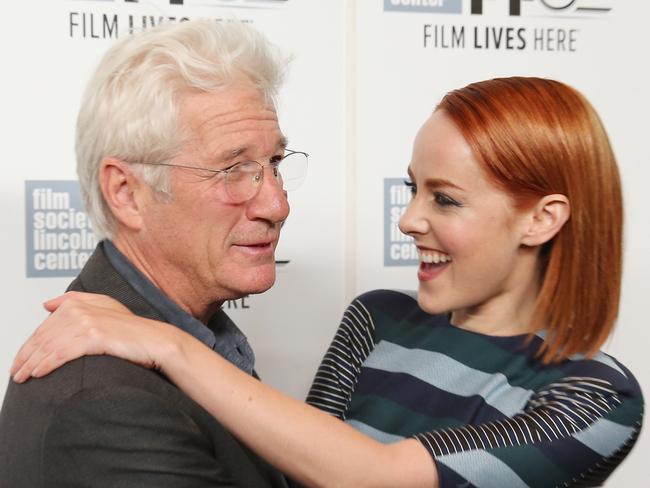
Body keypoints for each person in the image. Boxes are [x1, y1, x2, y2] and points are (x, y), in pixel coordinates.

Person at [11, 77, 643, 487]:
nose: (409, 219)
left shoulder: (595, 397)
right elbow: (301, 474)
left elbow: (374, 475)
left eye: (445, 200)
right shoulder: (377, 320)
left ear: (542, 218)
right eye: (412, 188)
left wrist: (166, 342)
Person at [0, 19, 309, 487]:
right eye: (233, 169)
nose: (276, 204)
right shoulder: (105, 404)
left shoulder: (193, 341)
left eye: (273, 165)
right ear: (125, 193)